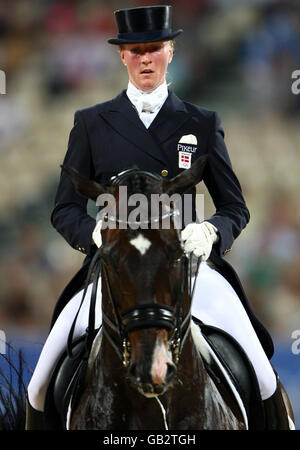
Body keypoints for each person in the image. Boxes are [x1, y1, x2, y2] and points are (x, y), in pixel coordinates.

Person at [26, 5, 292, 430]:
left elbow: (234, 207)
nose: (145, 58)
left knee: (262, 376)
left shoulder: (201, 122)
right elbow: (65, 208)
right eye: (136, 50)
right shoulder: (91, 123)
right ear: (122, 56)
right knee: (39, 385)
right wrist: (94, 234)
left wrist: (210, 231)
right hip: (113, 273)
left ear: (170, 51)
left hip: (188, 267)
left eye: (154, 49)